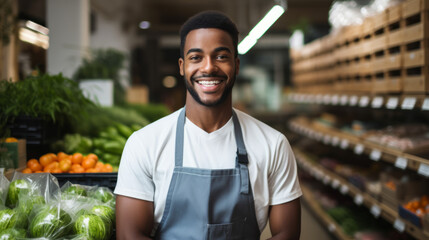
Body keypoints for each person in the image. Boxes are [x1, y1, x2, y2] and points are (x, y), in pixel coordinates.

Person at [114, 10, 302, 240]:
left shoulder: (273, 144)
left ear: (237, 65)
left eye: (221, 56)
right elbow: (129, 234)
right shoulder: (144, 144)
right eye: (196, 57)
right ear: (182, 66)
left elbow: (288, 233)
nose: (208, 67)